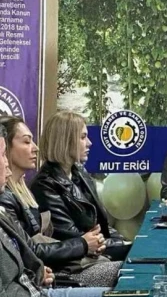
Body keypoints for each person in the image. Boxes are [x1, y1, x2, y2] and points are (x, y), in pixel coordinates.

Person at [0, 116, 121, 287]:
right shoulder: (36, 187)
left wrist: (109, 241)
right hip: (59, 273)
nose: (35, 148)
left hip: (57, 268)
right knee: (123, 273)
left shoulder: (77, 174)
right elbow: (31, 250)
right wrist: (84, 244)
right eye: (26, 142)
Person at [30, 111, 130, 262]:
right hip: (75, 261)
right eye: (83, 137)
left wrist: (122, 241)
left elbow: (101, 226)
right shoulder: (45, 185)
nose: (89, 143)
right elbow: (71, 237)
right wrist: (120, 245)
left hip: (96, 250)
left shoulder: (80, 172)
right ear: (65, 140)